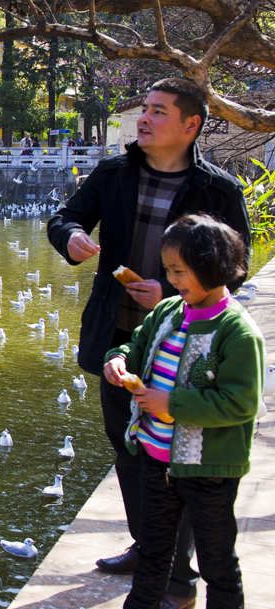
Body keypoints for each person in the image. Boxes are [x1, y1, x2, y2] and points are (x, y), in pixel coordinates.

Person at [47, 77, 250, 609]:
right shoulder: (114, 173)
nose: (144, 119)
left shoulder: (218, 191)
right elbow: (64, 216)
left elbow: (238, 268)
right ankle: (149, 548)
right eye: (143, 109)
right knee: (130, 445)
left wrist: (175, 291)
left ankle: (178, 579)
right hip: (120, 337)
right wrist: (70, 238)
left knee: (175, 461)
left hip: (185, 343)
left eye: (158, 111)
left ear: (190, 125)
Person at [103, 214, 264, 609]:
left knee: (217, 561)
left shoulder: (237, 332)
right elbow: (135, 348)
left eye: (179, 270)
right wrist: (118, 361)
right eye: (169, 270)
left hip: (210, 472)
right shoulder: (168, 312)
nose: (171, 280)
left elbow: (240, 403)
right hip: (158, 463)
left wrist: (171, 403)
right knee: (154, 553)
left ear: (211, 267)